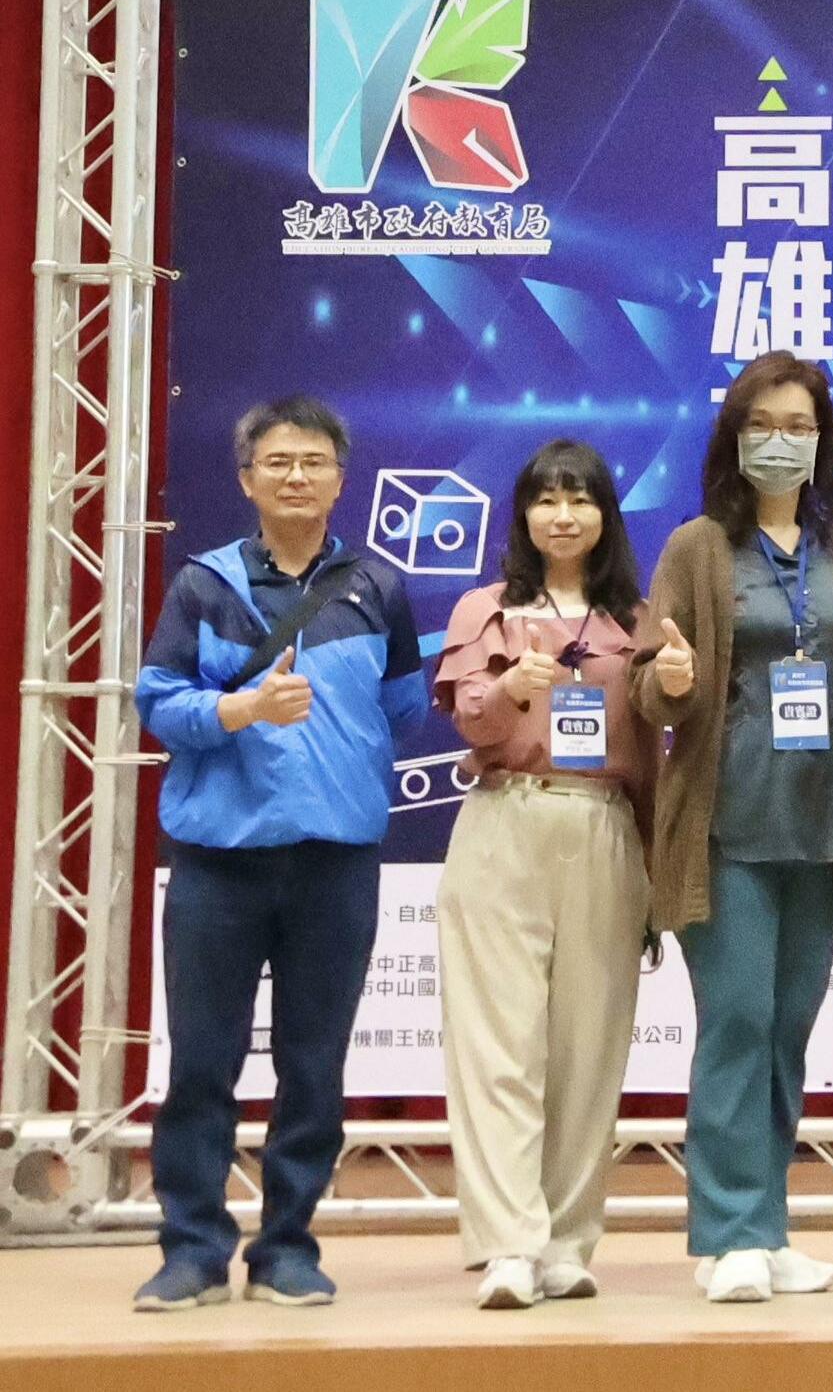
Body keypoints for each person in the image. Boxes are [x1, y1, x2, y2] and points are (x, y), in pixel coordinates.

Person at [132, 396, 426, 1311]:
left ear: (341, 479)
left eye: (314, 462)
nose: (297, 476)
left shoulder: (378, 586)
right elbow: (157, 702)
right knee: (201, 1063)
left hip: (335, 863)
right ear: (246, 479)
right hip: (218, 863)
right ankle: (192, 1250)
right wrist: (241, 709)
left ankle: (288, 1247)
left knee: (314, 1064)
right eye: (278, 462)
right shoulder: (204, 585)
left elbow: (405, 710)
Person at [629, 352, 833, 1304]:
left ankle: (767, 1225)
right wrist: (669, 679)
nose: (781, 442)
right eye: (763, 424)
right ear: (734, 437)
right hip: (727, 828)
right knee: (736, 1024)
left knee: (786, 1032)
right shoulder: (697, 548)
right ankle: (730, 1230)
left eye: (799, 426)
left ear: (823, 442)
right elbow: (648, 688)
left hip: (824, 832)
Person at [435, 440, 657, 1310]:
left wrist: (656, 869)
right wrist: (512, 691)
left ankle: (565, 1241)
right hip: (507, 817)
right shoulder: (486, 609)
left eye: (581, 500)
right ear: (523, 514)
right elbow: (470, 722)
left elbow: (656, 753)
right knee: (498, 1044)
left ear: (606, 515)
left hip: (604, 824)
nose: (563, 516)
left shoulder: (636, 620)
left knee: (588, 1050)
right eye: (546, 500)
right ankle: (508, 1245)